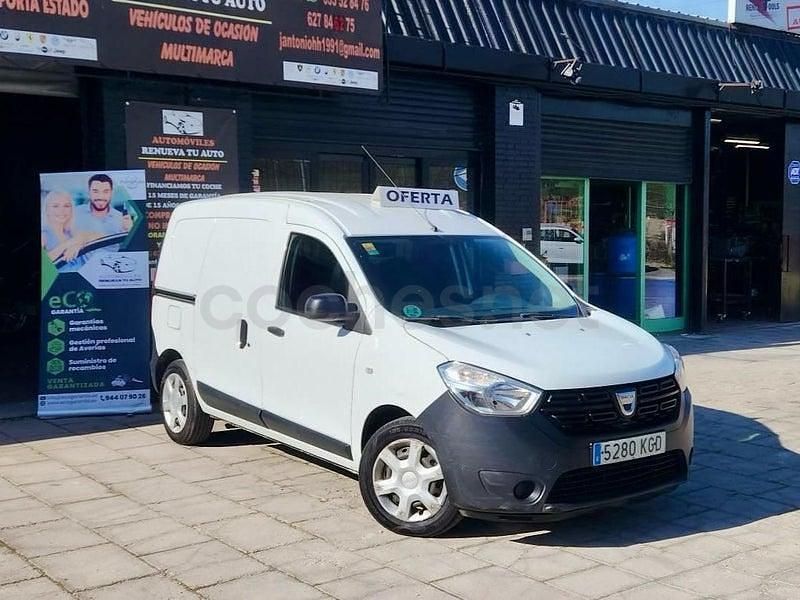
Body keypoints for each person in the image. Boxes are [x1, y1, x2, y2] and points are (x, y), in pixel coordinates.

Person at [73, 174, 132, 255]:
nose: (100, 196)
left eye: (106, 191)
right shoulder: (75, 213)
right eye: (95, 191)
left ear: (111, 193)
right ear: (88, 192)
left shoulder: (121, 219)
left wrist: (131, 232)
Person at [41, 191, 89, 272]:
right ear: (47, 210)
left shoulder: (71, 233)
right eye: (55, 206)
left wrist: (79, 245)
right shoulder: (43, 234)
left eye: (66, 206)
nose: (62, 211)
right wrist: (69, 243)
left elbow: (96, 237)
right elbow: (42, 264)